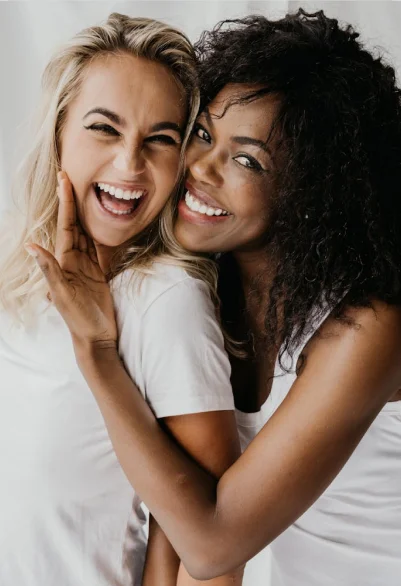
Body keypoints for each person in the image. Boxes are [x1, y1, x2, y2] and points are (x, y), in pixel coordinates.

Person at [28, 9, 401, 586]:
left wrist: (99, 354)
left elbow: (210, 545)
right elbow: (172, 515)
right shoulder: (207, 288)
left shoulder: (368, 328)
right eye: (202, 134)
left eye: (248, 160)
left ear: (313, 190)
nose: (199, 167)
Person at [0, 12, 245, 586]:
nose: (130, 164)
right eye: (104, 128)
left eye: (160, 139)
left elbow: (209, 560)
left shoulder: (165, 301)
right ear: (59, 130)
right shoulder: (19, 270)